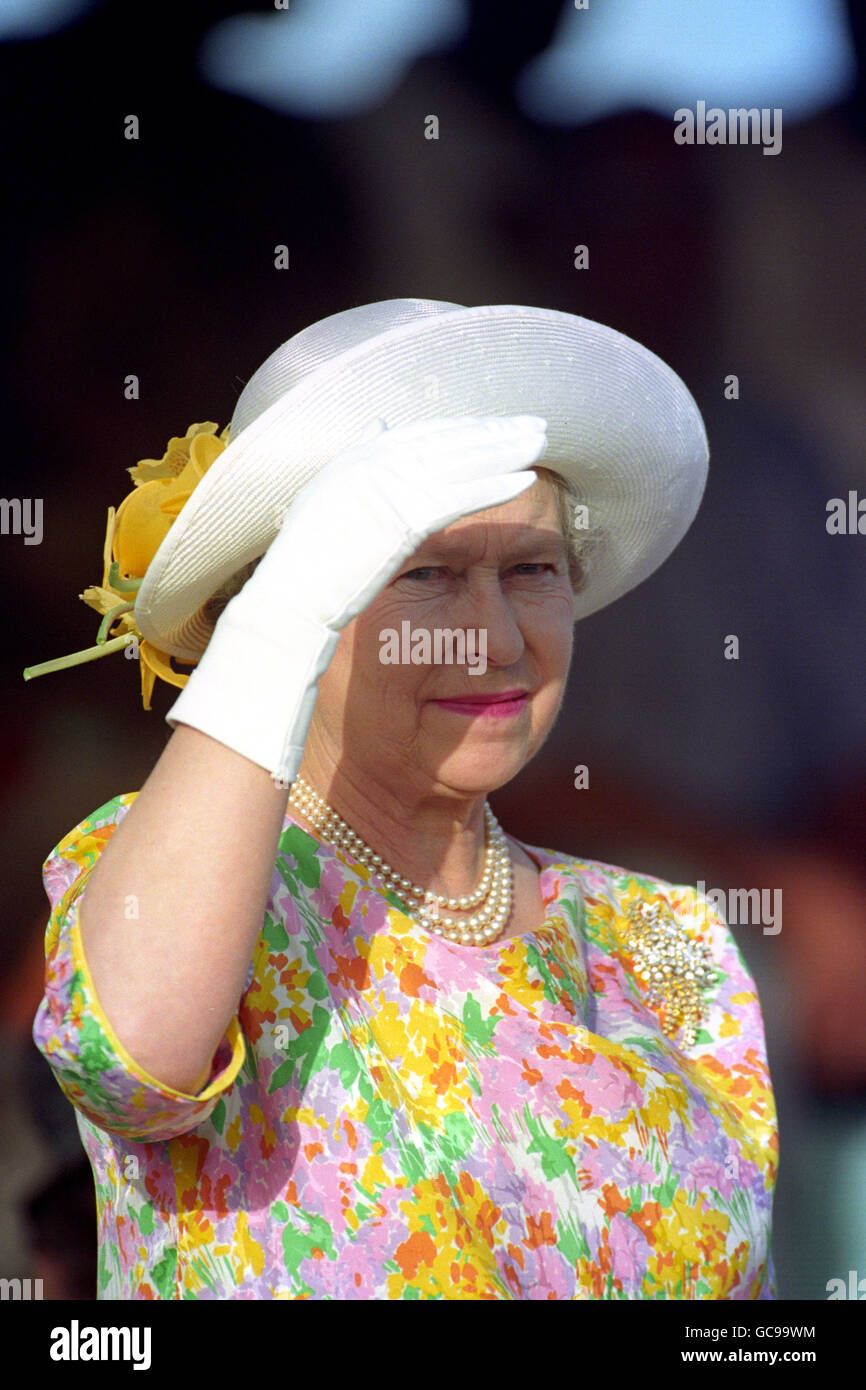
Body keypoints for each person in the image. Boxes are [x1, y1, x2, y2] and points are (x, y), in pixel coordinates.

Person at [30, 298, 778, 1300]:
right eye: (421, 571)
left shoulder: (667, 934)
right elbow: (124, 1062)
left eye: (531, 571)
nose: (498, 638)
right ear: (294, 606)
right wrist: (285, 607)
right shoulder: (181, 888)